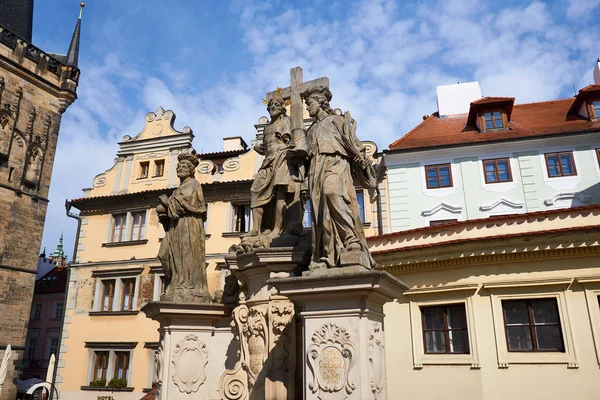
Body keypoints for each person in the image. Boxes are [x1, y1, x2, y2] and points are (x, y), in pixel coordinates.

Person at [301, 86, 377, 270]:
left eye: (310, 103)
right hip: (316, 169)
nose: (308, 108)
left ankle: (351, 240)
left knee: (333, 193)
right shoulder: (310, 130)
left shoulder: (337, 120)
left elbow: (353, 144)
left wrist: (362, 159)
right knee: (321, 210)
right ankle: (328, 252)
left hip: (336, 163)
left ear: (320, 102)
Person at [156, 151, 209, 302]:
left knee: (186, 256)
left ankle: (186, 286)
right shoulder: (177, 189)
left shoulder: (194, 184)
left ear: (192, 170)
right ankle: (174, 284)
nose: (179, 168)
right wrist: (164, 210)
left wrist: (166, 202)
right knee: (164, 255)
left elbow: (182, 205)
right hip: (175, 227)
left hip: (188, 225)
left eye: (184, 166)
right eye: (178, 166)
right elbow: (173, 209)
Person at [248, 96, 294, 237]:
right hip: (267, 162)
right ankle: (256, 229)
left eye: (276, 105)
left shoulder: (285, 121)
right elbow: (268, 146)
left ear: (282, 107)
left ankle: (277, 229)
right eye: (271, 105)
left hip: (281, 159)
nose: (273, 107)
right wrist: (260, 148)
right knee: (255, 191)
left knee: (280, 192)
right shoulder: (267, 127)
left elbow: (288, 141)